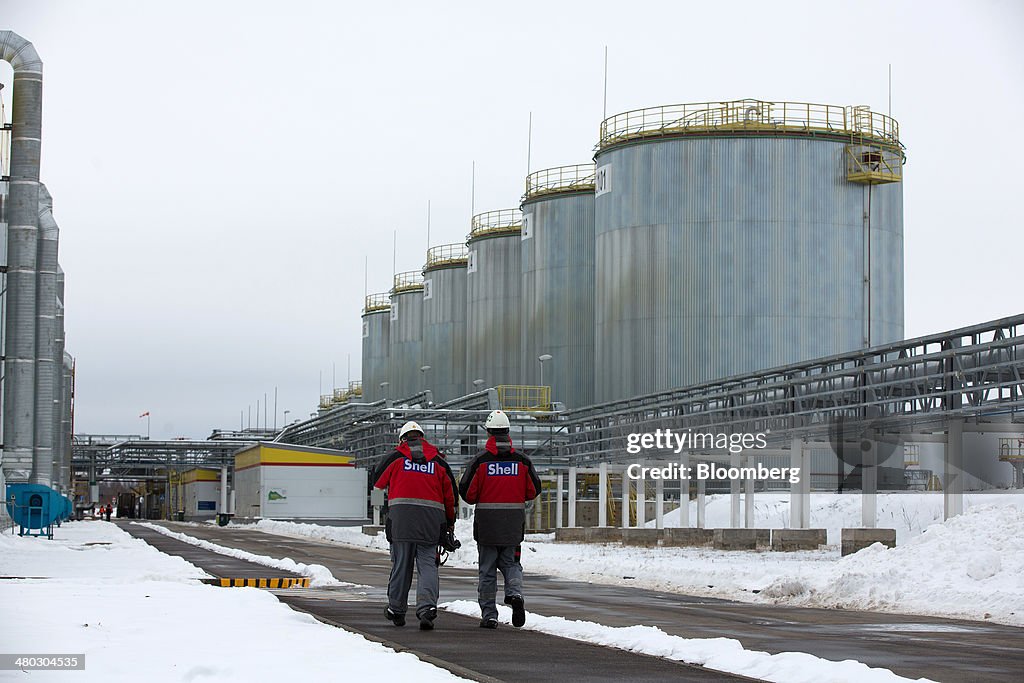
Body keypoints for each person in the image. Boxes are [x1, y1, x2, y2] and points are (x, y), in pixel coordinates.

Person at [459, 409, 541, 629]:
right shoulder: (522, 461)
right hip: (513, 525)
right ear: (507, 431)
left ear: (489, 433)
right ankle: (515, 594)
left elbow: (467, 493)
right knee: (512, 564)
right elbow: (533, 490)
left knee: (487, 570)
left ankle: (490, 615)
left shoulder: (480, 461)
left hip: (486, 526)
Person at [372, 420, 456, 631]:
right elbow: (451, 496)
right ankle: (427, 609)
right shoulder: (438, 462)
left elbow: (377, 480)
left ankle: (396, 609)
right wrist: (450, 523)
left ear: (403, 439)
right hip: (430, 523)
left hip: (401, 522)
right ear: (422, 437)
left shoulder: (396, 457)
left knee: (401, 565)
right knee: (428, 566)